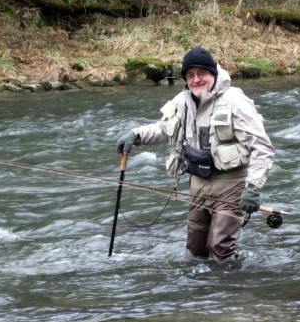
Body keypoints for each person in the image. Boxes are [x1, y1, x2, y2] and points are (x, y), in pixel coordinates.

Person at [116, 47, 275, 260]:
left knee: (220, 250)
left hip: (232, 183)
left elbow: (262, 147)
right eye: (190, 75)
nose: (196, 79)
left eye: (202, 73)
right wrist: (135, 135)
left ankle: (228, 289)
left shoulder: (235, 100)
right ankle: (198, 290)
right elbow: (163, 129)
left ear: (214, 74)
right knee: (195, 250)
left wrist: (253, 187)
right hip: (198, 182)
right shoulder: (181, 101)